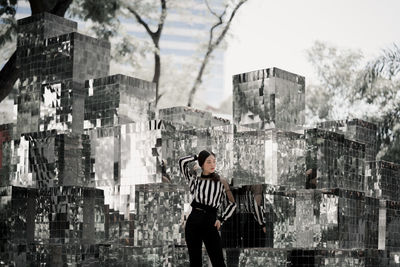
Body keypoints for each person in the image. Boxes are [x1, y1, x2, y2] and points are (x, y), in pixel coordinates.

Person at [179, 150, 236, 267]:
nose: (212, 165)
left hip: (210, 221)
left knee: (218, 262)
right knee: (195, 262)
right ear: (202, 164)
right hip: (193, 220)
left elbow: (232, 204)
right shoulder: (195, 180)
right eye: (208, 162)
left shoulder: (221, 181)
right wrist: (196, 156)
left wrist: (221, 219)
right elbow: (181, 162)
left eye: (214, 162)